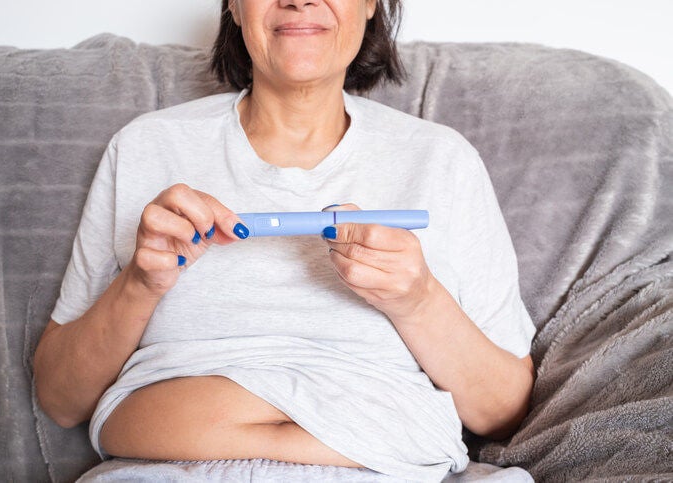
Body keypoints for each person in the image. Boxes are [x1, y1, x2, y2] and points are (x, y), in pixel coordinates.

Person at [33, 0, 536, 480]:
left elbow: (501, 413)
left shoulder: (443, 160)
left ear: (369, 4)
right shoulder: (144, 146)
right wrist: (140, 284)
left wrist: (417, 300)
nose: (299, 2)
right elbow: (60, 399)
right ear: (233, 5)